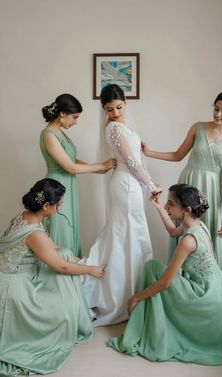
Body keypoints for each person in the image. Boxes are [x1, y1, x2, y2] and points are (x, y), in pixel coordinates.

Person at [109, 184, 222, 365]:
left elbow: (164, 284)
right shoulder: (198, 225)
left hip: (207, 299)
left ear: (186, 210)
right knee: (154, 268)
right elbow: (172, 231)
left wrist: (135, 298)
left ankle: (151, 328)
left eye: (170, 204)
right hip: (219, 290)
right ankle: (150, 320)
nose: (167, 207)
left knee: (152, 269)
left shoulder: (188, 241)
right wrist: (158, 206)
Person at [0, 178, 105, 376]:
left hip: (5, 277)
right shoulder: (35, 233)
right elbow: (62, 267)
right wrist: (91, 270)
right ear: (47, 205)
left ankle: (74, 307)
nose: (60, 208)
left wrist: (75, 258)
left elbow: (52, 248)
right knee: (61, 312)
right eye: (59, 204)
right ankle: (72, 311)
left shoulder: (24, 216)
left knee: (64, 251)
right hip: (14, 287)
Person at [81, 84, 162, 326]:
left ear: (125, 103)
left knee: (125, 235)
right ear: (104, 110)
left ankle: (132, 290)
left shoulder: (123, 127)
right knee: (126, 235)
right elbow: (131, 162)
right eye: (109, 109)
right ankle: (118, 294)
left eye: (119, 107)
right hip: (127, 185)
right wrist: (151, 185)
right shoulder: (115, 128)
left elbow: (134, 155)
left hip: (129, 184)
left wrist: (142, 147)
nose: (115, 113)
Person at [142, 90, 222, 284]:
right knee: (185, 230)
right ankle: (180, 283)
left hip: (213, 190)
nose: (218, 114)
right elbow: (177, 155)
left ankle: (213, 287)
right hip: (190, 183)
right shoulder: (198, 128)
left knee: (211, 232)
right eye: (216, 109)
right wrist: (149, 153)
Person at [40, 93, 116, 257]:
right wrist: (101, 165)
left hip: (68, 186)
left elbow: (73, 160)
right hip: (56, 186)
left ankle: (70, 271)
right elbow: (70, 167)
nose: (75, 122)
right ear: (62, 114)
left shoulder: (60, 133)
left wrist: (98, 169)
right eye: (74, 117)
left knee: (70, 227)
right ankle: (60, 271)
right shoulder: (49, 135)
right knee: (61, 228)